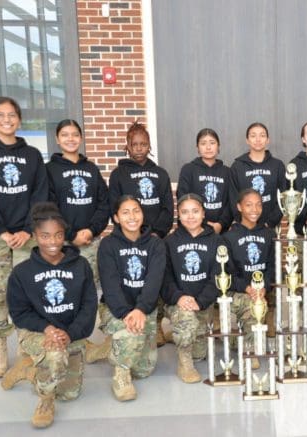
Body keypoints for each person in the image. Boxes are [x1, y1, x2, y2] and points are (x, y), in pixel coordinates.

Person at [0, 96, 49, 378]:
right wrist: (2, 230)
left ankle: (28, 346)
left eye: (12, 115)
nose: (6, 120)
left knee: (31, 291)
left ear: (19, 119)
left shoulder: (32, 155)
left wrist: (27, 229)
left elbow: (40, 194)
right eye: (0, 115)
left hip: (28, 234)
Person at [4, 202, 97, 428]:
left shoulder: (81, 265)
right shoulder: (22, 272)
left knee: (70, 393)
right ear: (35, 236)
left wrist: (71, 332)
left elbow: (89, 306)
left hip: (71, 334)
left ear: (64, 235)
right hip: (38, 333)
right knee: (55, 357)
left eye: (58, 235)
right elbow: (19, 313)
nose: (52, 242)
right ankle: (45, 401)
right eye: (45, 236)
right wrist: (47, 329)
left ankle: (28, 369)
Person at [108, 120, 174, 347]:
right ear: (127, 145)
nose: (138, 148)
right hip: (130, 240)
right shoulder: (118, 175)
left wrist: (156, 233)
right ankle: (131, 317)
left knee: (156, 280)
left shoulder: (160, 174)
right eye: (134, 144)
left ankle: (155, 323)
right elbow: (114, 207)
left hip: (154, 239)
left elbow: (168, 208)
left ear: (149, 146)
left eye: (143, 144)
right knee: (135, 279)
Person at [97, 195, 166, 401]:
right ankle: (121, 375)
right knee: (132, 338)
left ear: (142, 214)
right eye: (125, 212)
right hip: (117, 308)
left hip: (145, 308)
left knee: (144, 370)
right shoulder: (108, 245)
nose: (132, 216)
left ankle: (108, 348)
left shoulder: (155, 244)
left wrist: (141, 309)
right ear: (116, 218)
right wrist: (126, 313)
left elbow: (154, 282)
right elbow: (110, 286)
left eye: (136, 210)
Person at [163, 193, 225, 383]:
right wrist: (179, 297)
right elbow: (166, 278)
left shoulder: (216, 241)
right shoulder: (169, 242)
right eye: (185, 212)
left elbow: (218, 275)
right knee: (186, 321)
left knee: (200, 353)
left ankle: (180, 334)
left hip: (203, 303)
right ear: (179, 215)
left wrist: (201, 301)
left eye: (195, 211)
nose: (190, 216)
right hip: (178, 303)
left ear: (203, 213)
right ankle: (184, 363)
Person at [45, 119, 110, 283]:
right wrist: (71, 234)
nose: (70, 139)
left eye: (75, 135)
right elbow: (49, 208)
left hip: (90, 241)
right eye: (65, 135)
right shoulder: (49, 170)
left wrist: (91, 231)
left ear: (81, 138)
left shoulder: (91, 168)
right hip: (61, 242)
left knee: (90, 287)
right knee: (65, 287)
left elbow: (104, 203)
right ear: (57, 139)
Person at [221, 189, 276, 369]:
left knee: (257, 304)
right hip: (239, 290)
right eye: (249, 205)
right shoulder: (228, 237)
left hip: (260, 290)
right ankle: (249, 347)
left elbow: (271, 266)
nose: (255, 209)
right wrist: (247, 288)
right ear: (239, 207)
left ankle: (250, 344)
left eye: (259, 204)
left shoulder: (268, 234)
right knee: (252, 305)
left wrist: (264, 287)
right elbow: (226, 273)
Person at [229, 122, 286, 228]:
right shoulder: (237, 166)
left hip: (270, 227)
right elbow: (233, 198)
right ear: (247, 140)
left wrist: (270, 222)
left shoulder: (278, 165)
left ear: (268, 140)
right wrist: (242, 221)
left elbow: (283, 197)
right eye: (253, 136)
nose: (258, 139)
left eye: (262, 135)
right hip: (245, 226)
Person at [177, 128, 233, 234]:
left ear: (218, 146)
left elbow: (231, 203)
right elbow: (182, 198)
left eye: (212, 143)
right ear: (197, 147)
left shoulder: (227, 172)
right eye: (203, 143)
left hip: (221, 231)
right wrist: (202, 224)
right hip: (193, 229)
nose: (208, 147)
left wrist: (220, 224)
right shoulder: (188, 169)